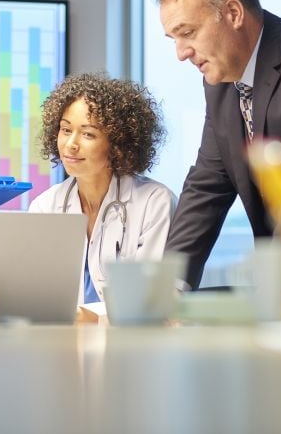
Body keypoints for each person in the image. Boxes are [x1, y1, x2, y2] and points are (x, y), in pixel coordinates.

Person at [156, 0, 281, 290]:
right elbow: (207, 185)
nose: (181, 53)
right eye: (173, 38)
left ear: (233, 13)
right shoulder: (219, 85)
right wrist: (169, 288)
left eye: (187, 32)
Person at [29, 73, 176, 306]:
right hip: (63, 338)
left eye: (88, 134)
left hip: (128, 338)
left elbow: (150, 297)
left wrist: (96, 320)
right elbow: (37, 292)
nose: (70, 144)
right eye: (66, 130)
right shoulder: (44, 206)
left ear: (118, 143)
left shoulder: (154, 202)